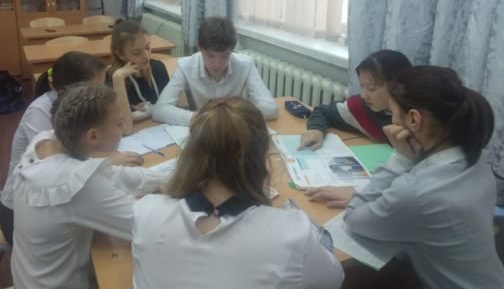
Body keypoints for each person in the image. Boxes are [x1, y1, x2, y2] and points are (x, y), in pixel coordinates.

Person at [133, 97, 343, 288]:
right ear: (263, 160)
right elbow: (333, 279)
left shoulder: (146, 211)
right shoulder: (292, 233)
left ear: (191, 155)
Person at [344, 66, 504, 289]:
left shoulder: (417, 193)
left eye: (391, 113)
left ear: (413, 119)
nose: (390, 121)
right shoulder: (475, 160)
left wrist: (400, 157)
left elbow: (353, 219)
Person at [12, 84, 166, 289]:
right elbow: (145, 226)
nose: (123, 130)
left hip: (27, 280)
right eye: (119, 124)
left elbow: (111, 174)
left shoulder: (46, 140)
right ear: (93, 136)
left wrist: (164, 179)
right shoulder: (76, 183)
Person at [0, 51, 143, 245]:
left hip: (49, 204)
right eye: (96, 88)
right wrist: (108, 160)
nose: (102, 94)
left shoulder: (68, 120)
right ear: (77, 93)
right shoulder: (40, 113)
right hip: (16, 211)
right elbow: (58, 167)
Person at [302, 50, 412, 209]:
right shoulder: (362, 107)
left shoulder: (415, 123)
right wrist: (317, 130)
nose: (364, 95)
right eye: (362, 86)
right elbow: (324, 111)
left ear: (397, 88)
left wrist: (363, 194)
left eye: (371, 89)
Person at [152, 17, 278, 126]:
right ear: (199, 47)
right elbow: (160, 110)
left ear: (232, 50)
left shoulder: (245, 64)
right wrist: (200, 118)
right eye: (210, 55)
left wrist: (226, 118)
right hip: (203, 130)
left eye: (224, 56)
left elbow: (270, 108)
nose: (217, 65)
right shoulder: (185, 66)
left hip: (234, 128)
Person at [106, 20, 170, 134]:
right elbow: (125, 128)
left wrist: (150, 110)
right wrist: (118, 78)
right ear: (120, 55)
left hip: (160, 130)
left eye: (147, 47)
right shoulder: (113, 78)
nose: (146, 56)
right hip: (134, 136)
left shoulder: (158, 68)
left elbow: (171, 107)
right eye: (137, 52)